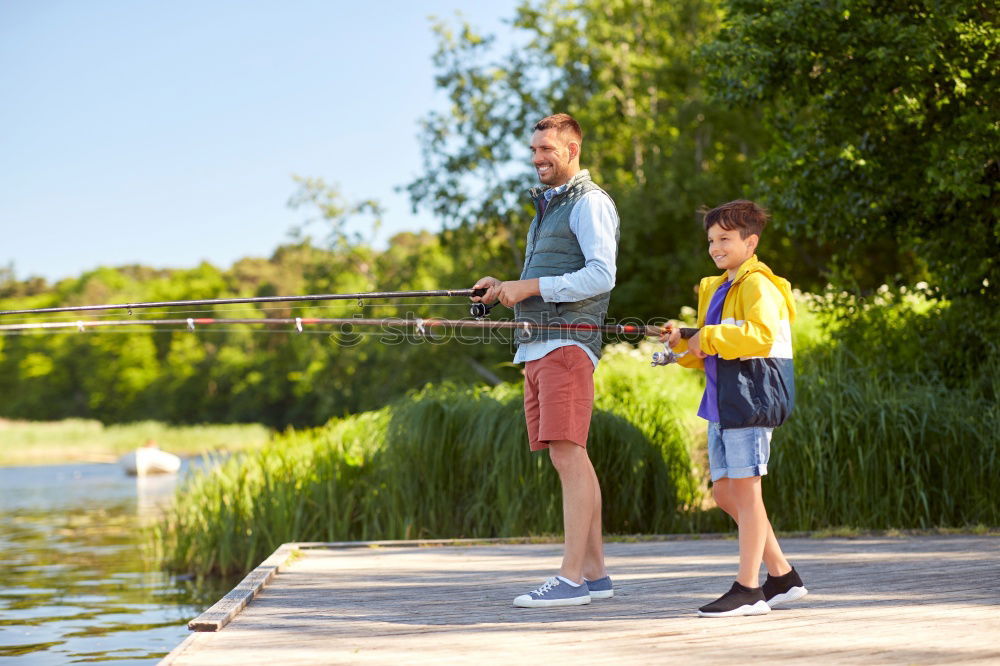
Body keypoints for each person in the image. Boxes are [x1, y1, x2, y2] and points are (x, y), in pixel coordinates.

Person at [472, 113, 620, 608]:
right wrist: (502, 288)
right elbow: (541, 277)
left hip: (567, 346)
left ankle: (571, 580)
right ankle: (595, 575)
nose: (537, 159)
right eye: (534, 151)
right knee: (569, 457)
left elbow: (601, 275)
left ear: (572, 149)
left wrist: (531, 286)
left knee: (568, 454)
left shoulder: (590, 202)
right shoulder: (548, 208)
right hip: (537, 345)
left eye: (547, 151)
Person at [661, 200, 807, 617]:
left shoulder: (760, 285)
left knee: (747, 491)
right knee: (726, 493)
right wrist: (683, 344)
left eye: (725, 238)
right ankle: (781, 576)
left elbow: (757, 335)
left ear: (751, 242)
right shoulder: (717, 286)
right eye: (711, 240)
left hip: (752, 396)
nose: (715, 247)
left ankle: (748, 589)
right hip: (722, 402)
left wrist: (704, 337)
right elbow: (710, 345)